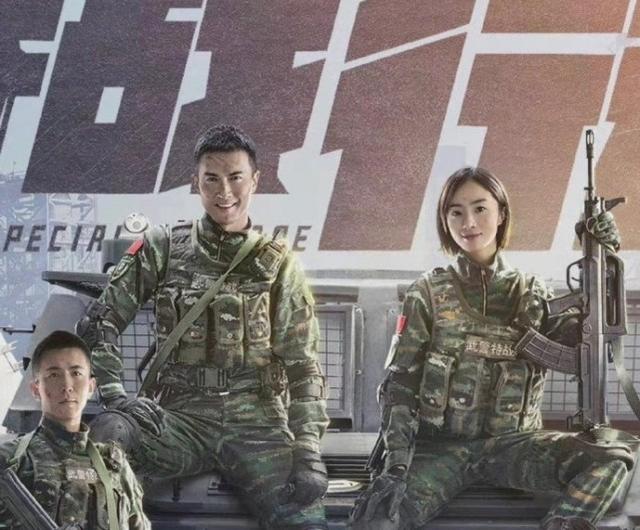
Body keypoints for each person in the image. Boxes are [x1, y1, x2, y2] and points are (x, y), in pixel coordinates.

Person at [349, 167, 633, 530]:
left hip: (516, 447)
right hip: (438, 451)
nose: (468, 222)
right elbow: (400, 388)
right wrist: (396, 467)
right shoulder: (427, 294)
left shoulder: (533, 295)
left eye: (480, 208)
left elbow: (587, 343)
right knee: (376, 518)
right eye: (456, 212)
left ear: (501, 214)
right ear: (445, 221)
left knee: (611, 458)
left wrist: (604, 261)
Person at [77, 124, 329, 529]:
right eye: (211, 179)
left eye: (235, 177)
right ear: (196, 182)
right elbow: (99, 322)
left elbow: (303, 367)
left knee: (305, 515)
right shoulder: (162, 247)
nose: (224, 191)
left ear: (255, 180)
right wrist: (115, 396)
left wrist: (308, 451)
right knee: (107, 439)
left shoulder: (280, 264)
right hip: (179, 418)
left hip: (257, 421)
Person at [0, 330, 150, 529]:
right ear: (36, 389)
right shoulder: (10, 461)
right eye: (54, 375)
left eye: (76, 373)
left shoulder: (115, 464)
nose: (67, 386)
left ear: (91, 386)